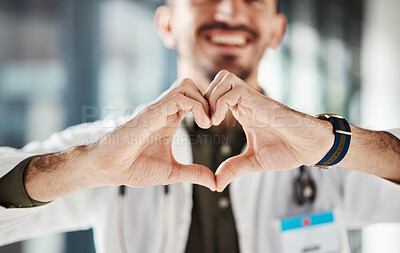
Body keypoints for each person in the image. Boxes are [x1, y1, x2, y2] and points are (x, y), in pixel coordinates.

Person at [0, 0, 399, 252]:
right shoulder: (109, 147)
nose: (229, 10)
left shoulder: (324, 150)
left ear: (277, 31)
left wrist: (332, 142)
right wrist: (89, 166)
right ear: (167, 25)